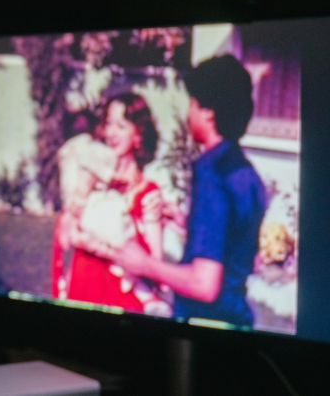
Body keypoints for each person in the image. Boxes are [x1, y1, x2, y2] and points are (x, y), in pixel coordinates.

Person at [110, 55, 266, 327]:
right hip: (238, 323)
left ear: (208, 111)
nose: (188, 112)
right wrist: (187, 222)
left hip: (205, 327)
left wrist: (144, 264)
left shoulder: (212, 172)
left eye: (192, 103)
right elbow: (233, 246)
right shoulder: (247, 173)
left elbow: (204, 285)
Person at [57, 93, 166, 314]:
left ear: (138, 135)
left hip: (122, 297)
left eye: (121, 125)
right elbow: (65, 236)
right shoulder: (89, 182)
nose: (111, 133)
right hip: (83, 285)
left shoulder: (147, 193)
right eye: (108, 124)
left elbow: (156, 263)